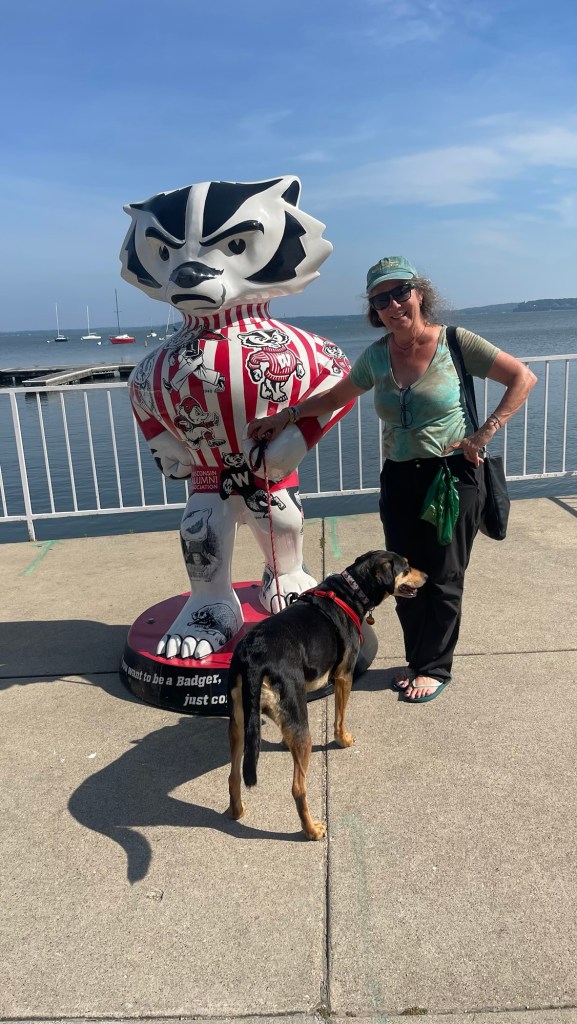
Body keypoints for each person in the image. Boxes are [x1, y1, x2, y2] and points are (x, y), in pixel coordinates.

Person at [247, 256, 537, 703]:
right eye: (381, 299)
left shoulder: (455, 342)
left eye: (401, 292)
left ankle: (435, 668)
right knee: (402, 577)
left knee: (443, 576)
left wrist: (485, 432)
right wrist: (285, 416)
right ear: (374, 310)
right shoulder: (378, 356)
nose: (393, 304)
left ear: (420, 293)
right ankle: (419, 659)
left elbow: (523, 377)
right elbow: (336, 395)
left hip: (450, 477)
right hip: (399, 478)